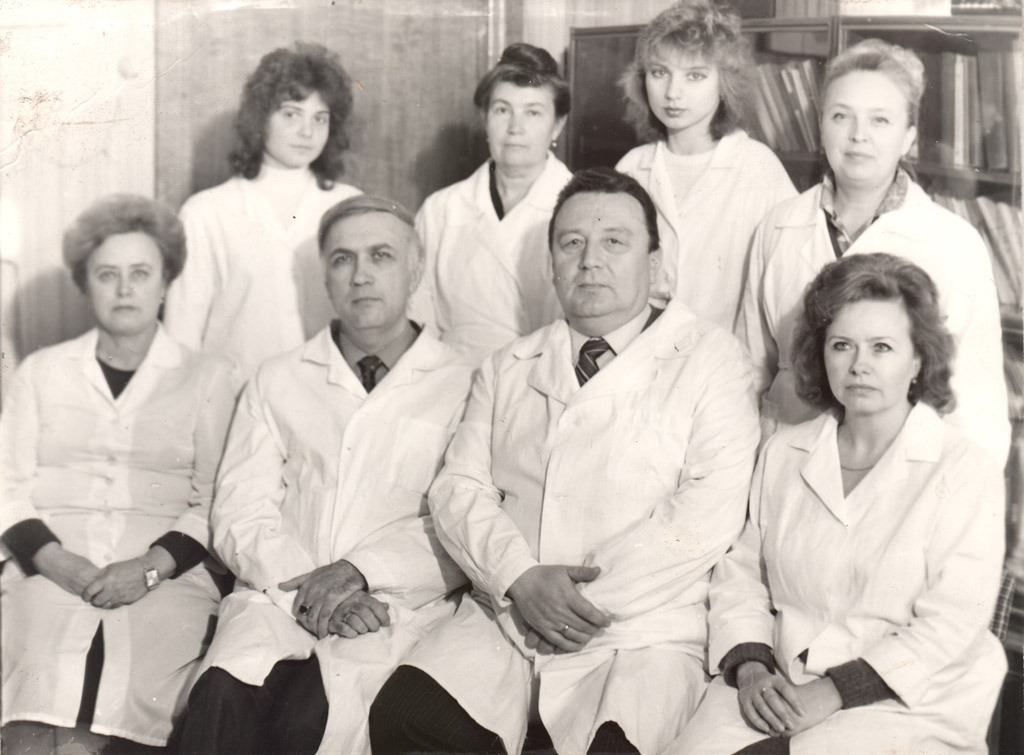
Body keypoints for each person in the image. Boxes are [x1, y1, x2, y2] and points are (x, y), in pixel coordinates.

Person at [369, 168, 761, 755]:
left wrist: (572, 606)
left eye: (614, 242)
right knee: (405, 719)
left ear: (655, 263)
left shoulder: (712, 360)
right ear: (551, 263)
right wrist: (520, 580)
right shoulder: (508, 365)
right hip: (506, 617)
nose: (590, 261)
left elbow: (706, 513)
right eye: (571, 242)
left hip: (637, 631)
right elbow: (459, 488)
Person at [672, 253, 1007, 755]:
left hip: (905, 702)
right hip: (780, 684)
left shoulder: (964, 468)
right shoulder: (784, 451)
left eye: (882, 347)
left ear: (918, 360)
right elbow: (742, 575)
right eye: (842, 345)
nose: (859, 365)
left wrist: (833, 692)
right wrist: (752, 669)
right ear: (820, 353)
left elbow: (952, 623)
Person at [175, 195, 473, 755]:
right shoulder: (277, 379)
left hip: (394, 607)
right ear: (326, 279)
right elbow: (241, 510)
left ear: (415, 270)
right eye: (342, 259)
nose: (361, 275)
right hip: (279, 596)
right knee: (221, 698)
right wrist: (316, 594)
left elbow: (463, 520)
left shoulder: (465, 381)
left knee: (312, 720)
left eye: (381, 255)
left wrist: (362, 575)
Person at [0, 195, 236, 753]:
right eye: (107, 274)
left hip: (169, 577)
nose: (125, 289)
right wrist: (60, 564)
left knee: (143, 678)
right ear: (85, 285)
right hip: (46, 570)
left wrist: (148, 570)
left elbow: (215, 498)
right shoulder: (42, 372)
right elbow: (7, 487)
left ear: (165, 283)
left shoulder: (209, 376)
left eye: (140, 273)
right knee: (36, 667)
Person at [736, 38, 1008, 464]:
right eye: (841, 116)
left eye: (880, 120)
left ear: (908, 137)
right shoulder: (778, 225)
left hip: (901, 473)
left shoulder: (954, 243)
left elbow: (975, 405)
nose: (858, 135)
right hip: (785, 460)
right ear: (821, 127)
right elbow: (749, 366)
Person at [164, 42, 361, 380]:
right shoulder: (206, 212)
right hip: (233, 394)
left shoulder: (350, 206)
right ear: (259, 119)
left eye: (320, 118)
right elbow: (182, 334)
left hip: (325, 392)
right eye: (291, 114)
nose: (307, 132)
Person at [616, 0, 795, 331]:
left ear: (725, 83)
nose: (673, 92)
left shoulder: (759, 168)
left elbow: (785, 292)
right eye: (659, 73)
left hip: (730, 356)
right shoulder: (631, 167)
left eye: (695, 75)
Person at [409, 42, 573, 363]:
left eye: (533, 112)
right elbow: (417, 316)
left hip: (542, 376)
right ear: (484, 118)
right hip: (449, 377)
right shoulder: (441, 209)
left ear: (557, 125)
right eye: (502, 110)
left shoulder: (580, 209)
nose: (515, 128)